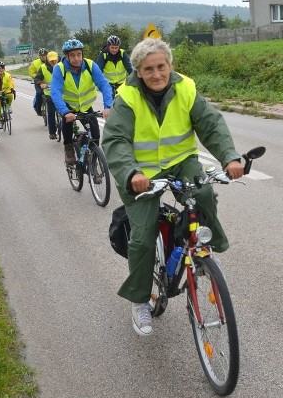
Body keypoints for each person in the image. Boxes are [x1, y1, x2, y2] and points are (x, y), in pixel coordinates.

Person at [102, 37, 244, 336]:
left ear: (170, 66)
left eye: (161, 67)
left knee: (204, 191)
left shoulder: (186, 88)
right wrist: (130, 174)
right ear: (139, 72)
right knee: (142, 235)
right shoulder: (127, 97)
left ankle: (206, 245)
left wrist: (229, 157)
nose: (156, 74)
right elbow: (115, 141)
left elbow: (211, 124)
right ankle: (139, 300)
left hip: (181, 161)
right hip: (141, 173)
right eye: (148, 69)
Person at [50, 39, 113, 165]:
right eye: (72, 55)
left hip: (86, 106)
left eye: (79, 54)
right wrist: (65, 112)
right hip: (68, 106)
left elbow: (104, 85)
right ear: (66, 57)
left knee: (95, 136)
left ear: (82, 54)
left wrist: (108, 106)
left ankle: (93, 162)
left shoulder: (90, 66)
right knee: (67, 125)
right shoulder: (59, 68)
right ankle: (68, 149)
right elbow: (55, 91)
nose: (76, 58)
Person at [34, 51, 60, 140]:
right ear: (47, 60)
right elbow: (37, 78)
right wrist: (41, 84)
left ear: (58, 59)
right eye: (51, 60)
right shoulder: (43, 68)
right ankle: (52, 133)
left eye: (54, 60)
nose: (53, 62)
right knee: (51, 112)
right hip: (50, 93)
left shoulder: (63, 66)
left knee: (67, 112)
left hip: (62, 93)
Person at [29, 48, 49, 117]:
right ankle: (38, 109)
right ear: (39, 56)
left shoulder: (52, 61)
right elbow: (31, 73)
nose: (43, 57)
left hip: (49, 82)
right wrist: (38, 77)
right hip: (39, 82)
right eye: (41, 56)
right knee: (39, 93)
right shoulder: (35, 63)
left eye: (44, 55)